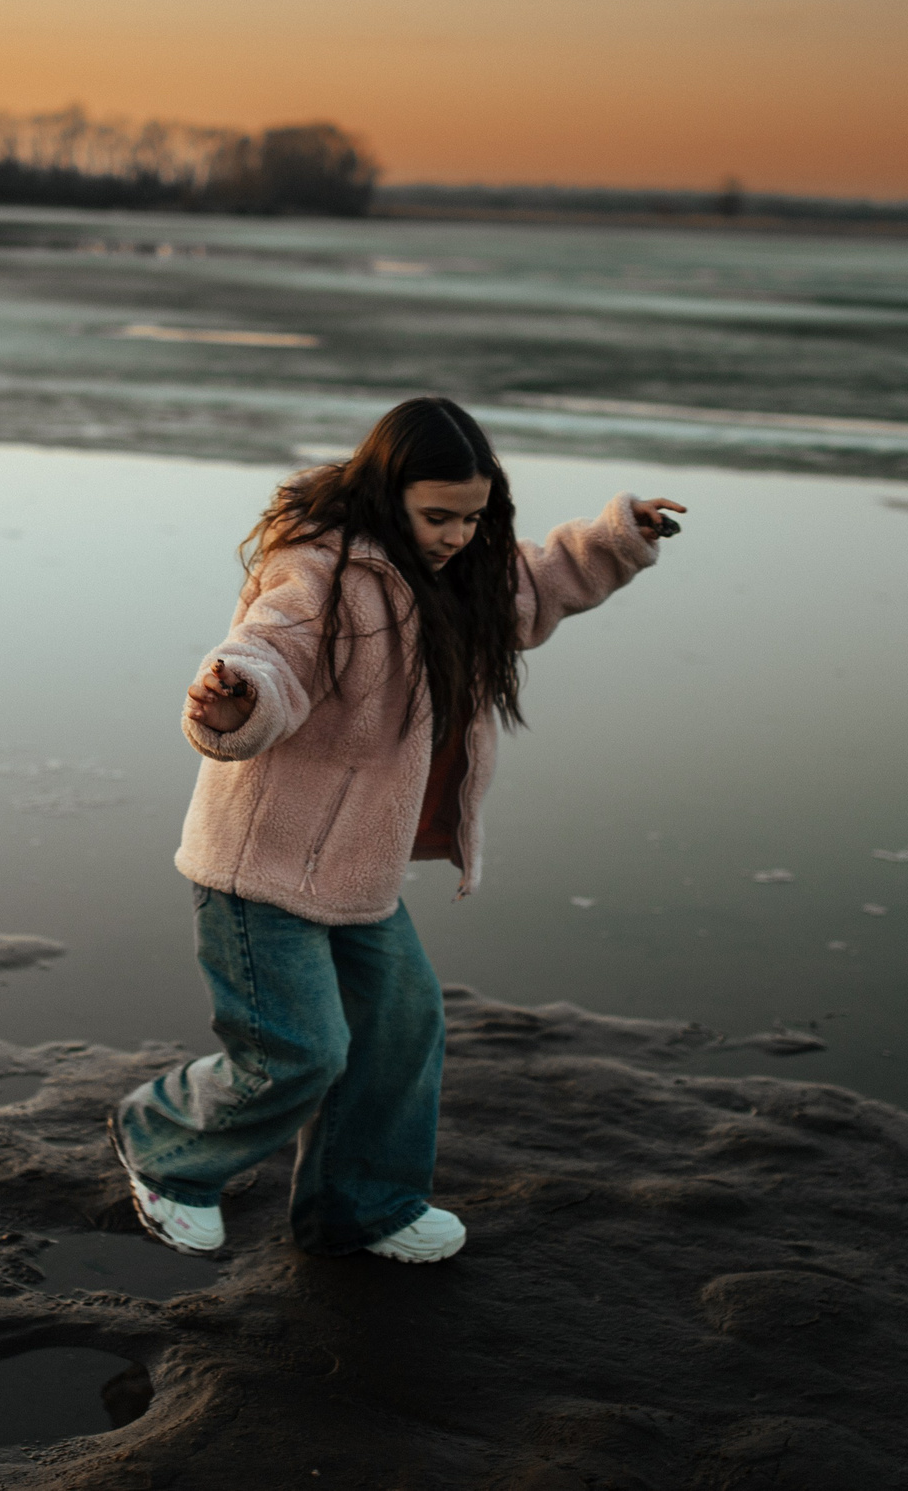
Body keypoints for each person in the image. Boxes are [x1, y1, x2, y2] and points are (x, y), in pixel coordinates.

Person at [110, 395, 684, 1263]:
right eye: (437, 516)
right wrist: (235, 697)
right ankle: (161, 1144)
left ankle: (360, 1207)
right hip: (259, 866)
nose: (456, 534)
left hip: (356, 869)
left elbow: (533, 586)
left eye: (471, 516)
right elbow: (268, 648)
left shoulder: (458, 575)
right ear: (388, 492)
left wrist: (616, 537)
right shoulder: (323, 570)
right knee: (300, 1052)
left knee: (403, 1028)